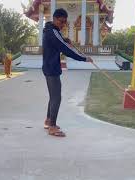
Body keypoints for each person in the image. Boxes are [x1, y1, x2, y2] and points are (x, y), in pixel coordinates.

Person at [42, 8, 93, 137]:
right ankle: (52, 127)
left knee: (53, 96)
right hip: (51, 69)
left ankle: (49, 121)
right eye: (61, 21)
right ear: (54, 18)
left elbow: (58, 41)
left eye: (65, 22)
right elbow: (66, 50)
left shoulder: (51, 30)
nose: (63, 24)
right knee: (56, 97)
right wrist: (84, 58)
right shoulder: (52, 32)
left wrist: (64, 39)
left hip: (49, 67)